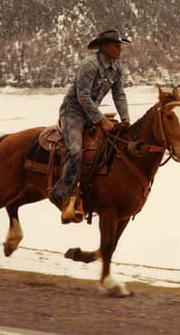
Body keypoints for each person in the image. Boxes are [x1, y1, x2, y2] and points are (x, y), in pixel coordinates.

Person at [49, 29, 131, 224]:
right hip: (73, 112)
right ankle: (62, 194)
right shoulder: (89, 65)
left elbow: (119, 94)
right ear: (103, 46)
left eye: (120, 44)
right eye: (115, 44)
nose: (119, 48)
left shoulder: (116, 68)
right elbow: (82, 97)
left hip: (91, 114)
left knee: (113, 146)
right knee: (75, 151)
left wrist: (125, 118)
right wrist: (101, 120)